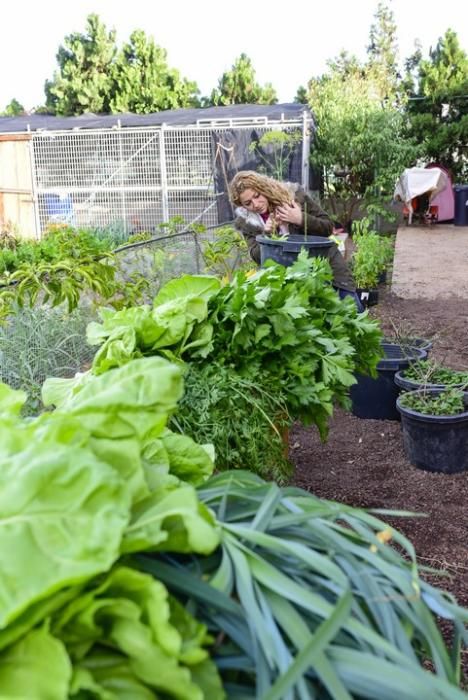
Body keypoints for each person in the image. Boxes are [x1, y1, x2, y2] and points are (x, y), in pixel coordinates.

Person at [229, 171, 363, 311]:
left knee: (353, 311)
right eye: (248, 203)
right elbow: (257, 257)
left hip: (326, 269)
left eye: (257, 196)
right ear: (242, 206)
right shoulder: (247, 222)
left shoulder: (293, 196)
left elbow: (328, 227)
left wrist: (300, 219)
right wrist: (267, 234)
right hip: (290, 285)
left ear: (263, 188)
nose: (255, 204)